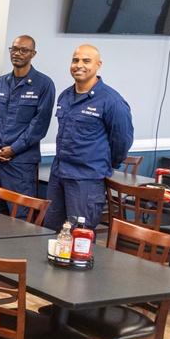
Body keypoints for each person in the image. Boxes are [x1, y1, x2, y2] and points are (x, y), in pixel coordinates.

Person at [43, 45, 133, 231]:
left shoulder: (111, 101)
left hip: (86, 179)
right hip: (59, 174)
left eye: (86, 61)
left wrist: (107, 164)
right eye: (75, 60)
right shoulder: (66, 96)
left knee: (79, 235)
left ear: (98, 65)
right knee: (49, 230)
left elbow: (122, 140)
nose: (79, 65)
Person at [0, 35, 56, 216]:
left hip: (21, 162)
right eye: (14, 49)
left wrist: (13, 149)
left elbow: (39, 125)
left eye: (23, 50)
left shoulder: (43, 85)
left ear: (33, 54)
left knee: (20, 215)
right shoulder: (0, 83)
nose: (17, 53)